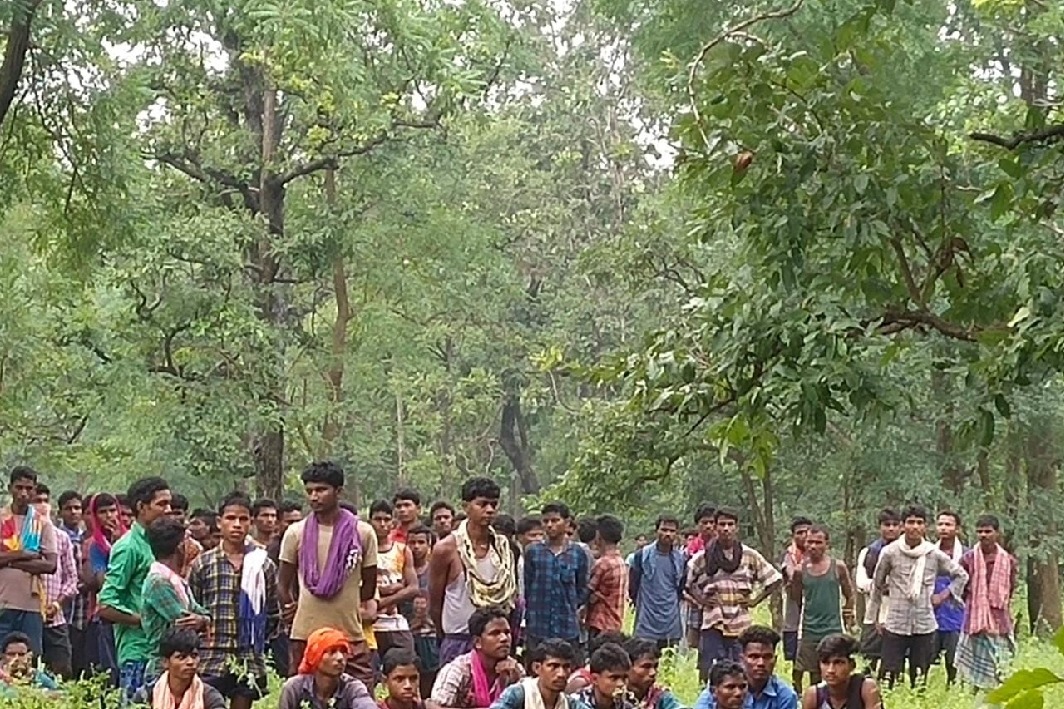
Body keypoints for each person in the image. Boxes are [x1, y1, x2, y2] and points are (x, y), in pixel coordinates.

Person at [279, 461, 378, 686]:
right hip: (305, 635)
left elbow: (369, 587)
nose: (314, 497)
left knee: (361, 696)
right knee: (301, 696)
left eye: (321, 490)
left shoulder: (362, 533)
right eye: (310, 491)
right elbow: (283, 584)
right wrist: (292, 608)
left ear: (338, 491)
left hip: (349, 635)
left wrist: (346, 601)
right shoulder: (296, 533)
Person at [188, 492, 278, 709]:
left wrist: (256, 637)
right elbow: (194, 606)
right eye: (230, 518)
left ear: (251, 522)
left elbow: (273, 613)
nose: (236, 525)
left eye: (243, 519)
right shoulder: (203, 564)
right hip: (211, 656)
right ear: (219, 522)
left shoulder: (262, 565)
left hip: (248, 657)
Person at [868, 504, 968, 689]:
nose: (914, 527)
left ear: (925, 527)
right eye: (910, 522)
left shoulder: (932, 554)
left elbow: (961, 575)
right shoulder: (890, 552)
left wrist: (944, 595)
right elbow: (877, 584)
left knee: (920, 675)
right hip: (896, 621)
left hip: (924, 623)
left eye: (919, 523)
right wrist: (876, 617)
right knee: (889, 673)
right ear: (903, 525)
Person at [428, 478, 517, 667]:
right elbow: (435, 602)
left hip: (494, 640)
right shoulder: (446, 549)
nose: (490, 510)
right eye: (482, 504)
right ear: (466, 506)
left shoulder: (503, 547)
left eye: (493, 504)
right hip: (459, 639)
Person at [687, 508, 782, 682]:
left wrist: (754, 600)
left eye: (730, 524)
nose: (726, 529)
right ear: (715, 527)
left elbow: (774, 579)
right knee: (708, 666)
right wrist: (701, 600)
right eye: (722, 524)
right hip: (713, 620)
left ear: (736, 528)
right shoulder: (704, 556)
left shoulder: (749, 555)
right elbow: (686, 582)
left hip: (740, 621)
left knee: (740, 667)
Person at [98, 476, 172, 700]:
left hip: (164, 652)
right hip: (138, 652)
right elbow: (106, 604)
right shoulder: (128, 546)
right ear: (141, 507)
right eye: (162, 504)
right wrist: (144, 619)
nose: (168, 510)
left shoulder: (159, 543)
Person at [787, 525, 855, 691]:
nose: (813, 546)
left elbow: (850, 593)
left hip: (833, 628)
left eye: (818, 542)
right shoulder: (799, 571)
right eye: (810, 542)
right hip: (810, 629)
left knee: (835, 671)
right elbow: (796, 599)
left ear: (827, 544)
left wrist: (848, 612)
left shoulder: (838, 567)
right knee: (806, 669)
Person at [142, 516, 209, 679]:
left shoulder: (176, 580)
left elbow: (201, 614)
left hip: (180, 666)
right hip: (164, 668)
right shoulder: (159, 582)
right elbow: (185, 621)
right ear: (180, 547)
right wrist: (202, 620)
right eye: (187, 540)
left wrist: (203, 619)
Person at [956, 514, 1018, 690]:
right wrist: (977, 604)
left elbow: (1010, 589)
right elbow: (961, 588)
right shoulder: (967, 560)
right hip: (974, 621)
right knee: (973, 671)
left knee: (1001, 669)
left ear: (997, 533)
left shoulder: (1008, 561)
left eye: (988, 531)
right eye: (980, 532)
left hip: (999, 621)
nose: (983, 535)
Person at [0, 466, 58, 654]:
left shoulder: (42, 522)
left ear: (34, 490)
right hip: (2, 601)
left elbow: (50, 565)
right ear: (10, 488)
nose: (24, 493)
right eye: (19, 488)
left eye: (29, 488)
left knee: (32, 659)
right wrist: (23, 554)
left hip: (31, 604)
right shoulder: (1, 518)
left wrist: (8, 560)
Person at [524, 502, 589, 662]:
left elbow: (582, 587)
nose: (550, 525)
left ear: (566, 523)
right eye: (546, 521)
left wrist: (572, 604)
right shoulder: (533, 552)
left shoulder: (577, 553)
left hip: (566, 626)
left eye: (555, 520)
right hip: (538, 626)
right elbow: (528, 585)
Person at [428, 607, 523, 709]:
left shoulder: (515, 669)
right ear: (477, 642)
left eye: (507, 632)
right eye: (495, 633)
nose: (504, 638)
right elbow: (433, 707)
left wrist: (515, 681)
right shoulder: (458, 670)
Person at [693, 626, 798, 709]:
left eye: (767, 657)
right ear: (742, 659)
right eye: (754, 657)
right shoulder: (720, 690)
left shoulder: (785, 696)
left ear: (775, 659)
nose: (761, 663)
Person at [35, 484, 78, 679]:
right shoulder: (17, 538)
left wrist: (57, 604)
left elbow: (71, 578)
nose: (42, 506)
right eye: (37, 501)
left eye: (45, 501)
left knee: (62, 671)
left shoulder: (61, 538)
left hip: (55, 619)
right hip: (29, 615)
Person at [278, 627, 379, 709]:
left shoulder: (352, 688)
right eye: (332, 652)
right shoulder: (294, 688)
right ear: (315, 657)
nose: (340, 658)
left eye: (343, 651)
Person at [82, 492, 124, 681]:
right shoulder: (96, 546)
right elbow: (102, 582)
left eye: (112, 510)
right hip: (106, 616)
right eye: (103, 512)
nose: (109, 516)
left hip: (129, 614)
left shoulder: (129, 539)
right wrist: (113, 547)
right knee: (110, 671)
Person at [369, 500, 419, 658]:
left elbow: (413, 588)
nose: (382, 524)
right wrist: (384, 589)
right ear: (370, 521)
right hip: (369, 625)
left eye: (387, 519)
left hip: (396, 623)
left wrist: (382, 601)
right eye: (378, 519)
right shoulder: (362, 549)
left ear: (393, 522)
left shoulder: (402, 550)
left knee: (406, 665)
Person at [854, 509, 900, 672]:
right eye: (887, 525)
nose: (891, 529)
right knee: (869, 658)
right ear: (880, 527)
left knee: (894, 661)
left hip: (898, 614)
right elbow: (860, 582)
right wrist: (879, 586)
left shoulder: (906, 552)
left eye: (895, 525)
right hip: (873, 613)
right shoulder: (868, 552)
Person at [629, 516, 685, 651]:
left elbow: (680, 587)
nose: (668, 534)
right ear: (656, 531)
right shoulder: (642, 556)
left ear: (677, 534)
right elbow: (633, 586)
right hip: (647, 619)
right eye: (664, 530)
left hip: (671, 618)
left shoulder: (680, 559)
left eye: (672, 531)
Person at [146, 628, 226, 709]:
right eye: (182, 657)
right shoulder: (147, 695)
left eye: (194, 655)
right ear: (165, 662)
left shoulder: (209, 697)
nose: (190, 662)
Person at [56, 489, 89, 677]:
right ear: (60, 512)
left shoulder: (86, 539)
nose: (74, 512)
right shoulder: (56, 537)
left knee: (79, 659)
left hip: (81, 610)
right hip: (61, 606)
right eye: (69, 508)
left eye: (77, 508)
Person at [801, 634, 882, 709]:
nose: (830, 670)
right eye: (825, 663)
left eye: (838, 663)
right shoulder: (814, 696)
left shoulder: (865, 689)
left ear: (852, 665)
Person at [487, 639, 573, 709]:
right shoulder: (518, 695)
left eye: (566, 667)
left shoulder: (570, 704)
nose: (561, 674)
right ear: (537, 668)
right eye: (553, 666)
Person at [932, 510, 966, 686]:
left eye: (948, 524)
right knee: (927, 659)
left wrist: (946, 595)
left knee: (953, 658)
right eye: (940, 524)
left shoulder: (966, 555)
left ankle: (954, 687)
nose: (944, 528)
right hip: (931, 613)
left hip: (956, 614)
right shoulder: (929, 552)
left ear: (957, 529)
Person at [407, 524, 440, 699]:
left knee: (429, 678)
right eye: (412, 542)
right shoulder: (402, 570)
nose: (416, 547)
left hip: (430, 635)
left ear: (429, 545)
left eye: (421, 542)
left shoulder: (435, 570)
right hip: (406, 634)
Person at [779, 516, 811, 684]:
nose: (804, 536)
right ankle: (796, 691)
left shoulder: (819, 555)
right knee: (795, 660)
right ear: (793, 536)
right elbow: (791, 575)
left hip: (814, 615)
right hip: (794, 614)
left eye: (807, 532)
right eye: (800, 533)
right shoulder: (789, 556)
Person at [684, 505, 717, 650]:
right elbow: (684, 579)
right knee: (694, 643)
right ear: (698, 525)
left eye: (711, 522)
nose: (708, 526)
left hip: (718, 601)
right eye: (704, 522)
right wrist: (693, 599)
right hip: (696, 601)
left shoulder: (723, 545)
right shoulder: (691, 549)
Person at [588, 515, 627, 636]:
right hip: (615, 622)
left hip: (600, 623)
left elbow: (587, 591)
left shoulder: (603, 563)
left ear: (599, 536)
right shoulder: (620, 562)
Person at [571, 643, 634, 709]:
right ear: (594, 679)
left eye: (625, 678)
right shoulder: (573, 704)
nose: (621, 684)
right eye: (614, 678)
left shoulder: (627, 707)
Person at [623, 638, 681, 709]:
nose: (653, 673)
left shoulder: (660, 696)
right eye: (646, 667)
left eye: (656, 666)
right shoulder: (614, 697)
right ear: (627, 668)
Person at [0, 630, 59, 695]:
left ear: (29, 655)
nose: (16, 658)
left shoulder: (37, 677)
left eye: (21, 654)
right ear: (3, 655)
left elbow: (58, 693)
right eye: (11, 654)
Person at [168, 494, 202, 576]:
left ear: (186, 514)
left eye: (177, 513)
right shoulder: (153, 541)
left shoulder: (194, 548)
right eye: (170, 513)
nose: (173, 518)